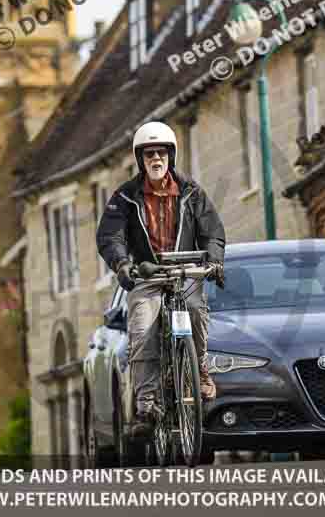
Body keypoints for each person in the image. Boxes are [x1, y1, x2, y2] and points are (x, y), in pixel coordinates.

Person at [96, 121, 226, 434]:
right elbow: (110, 235)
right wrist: (122, 264)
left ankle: (200, 370)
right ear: (140, 159)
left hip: (185, 272)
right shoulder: (125, 197)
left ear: (171, 155)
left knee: (195, 309)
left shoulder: (192, 192)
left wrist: (214, 260)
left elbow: (212, 231)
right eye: (149, 154)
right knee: (142, 328)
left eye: (161, 153)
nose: (156, 158)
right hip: (147, 274)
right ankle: (147, 402)